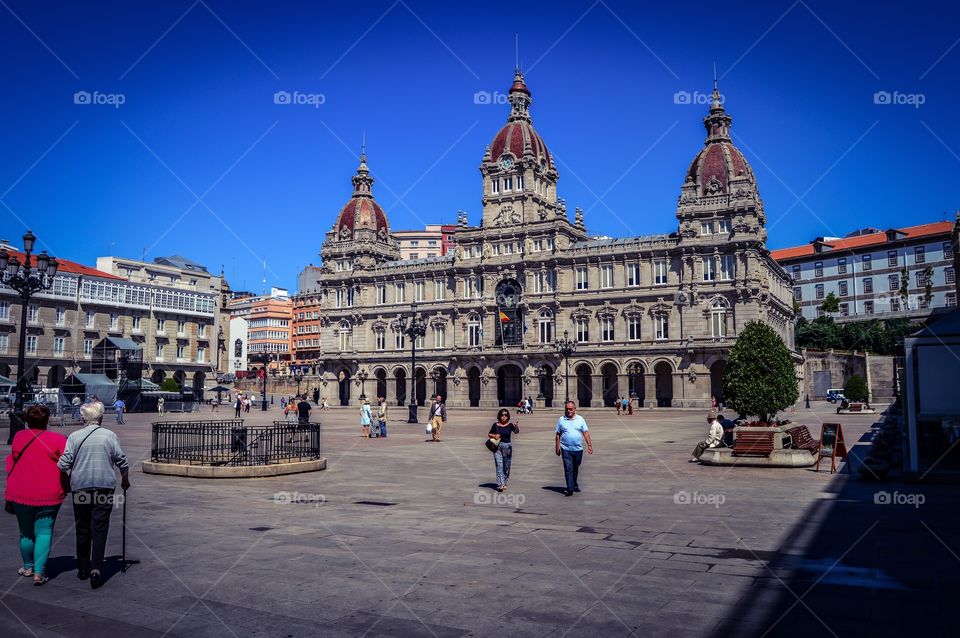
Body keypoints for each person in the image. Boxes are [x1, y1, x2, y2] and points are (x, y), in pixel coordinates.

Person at [58, 402, 130, 590]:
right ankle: (96, 569)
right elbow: (122, 460)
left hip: (80, 487)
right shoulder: (109, 435)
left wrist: (67, 478)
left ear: (83, 418)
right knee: (100, 527)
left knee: (82, 526)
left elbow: (63, 464)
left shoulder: (74, 436)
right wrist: (125, 480)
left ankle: (82, 566)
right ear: (100, 417)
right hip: (104, 486)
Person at [5, 404, 68, 586]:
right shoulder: (57, 439)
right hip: (49, 491)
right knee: (44, 532)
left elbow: (14, 458)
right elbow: (66, 462)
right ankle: (39, 573)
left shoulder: (18, 436)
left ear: (27, 420)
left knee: (25, 532)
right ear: (47, 420)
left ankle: (28, 566)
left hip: (20, 491)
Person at [555, 401, 593, 496]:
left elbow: (585, 432)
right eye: (567, 409)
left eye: (571, 409)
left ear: (575, 409)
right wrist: (557, 447)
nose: (569, 411)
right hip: (565, 449)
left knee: (575, 468)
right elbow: (558, 435)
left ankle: (574, 484)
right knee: (568, 468)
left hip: (578, 449)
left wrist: (589, 445)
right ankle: (570, 488)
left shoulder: (580, 419)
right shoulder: (561, 420)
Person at [488, 408, 519, 492]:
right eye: (502, 415)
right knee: (499, 465)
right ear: (499, 416)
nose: (504, 417)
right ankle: (500, 484)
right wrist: (494, 436)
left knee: (506, 466)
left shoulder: (510, 425)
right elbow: (489, 434)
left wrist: (516, 427)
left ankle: (504, 482)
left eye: (506, 415)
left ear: (508, 416)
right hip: (497, 447)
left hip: (507, 447)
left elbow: (516, 432)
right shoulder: (495, 425)